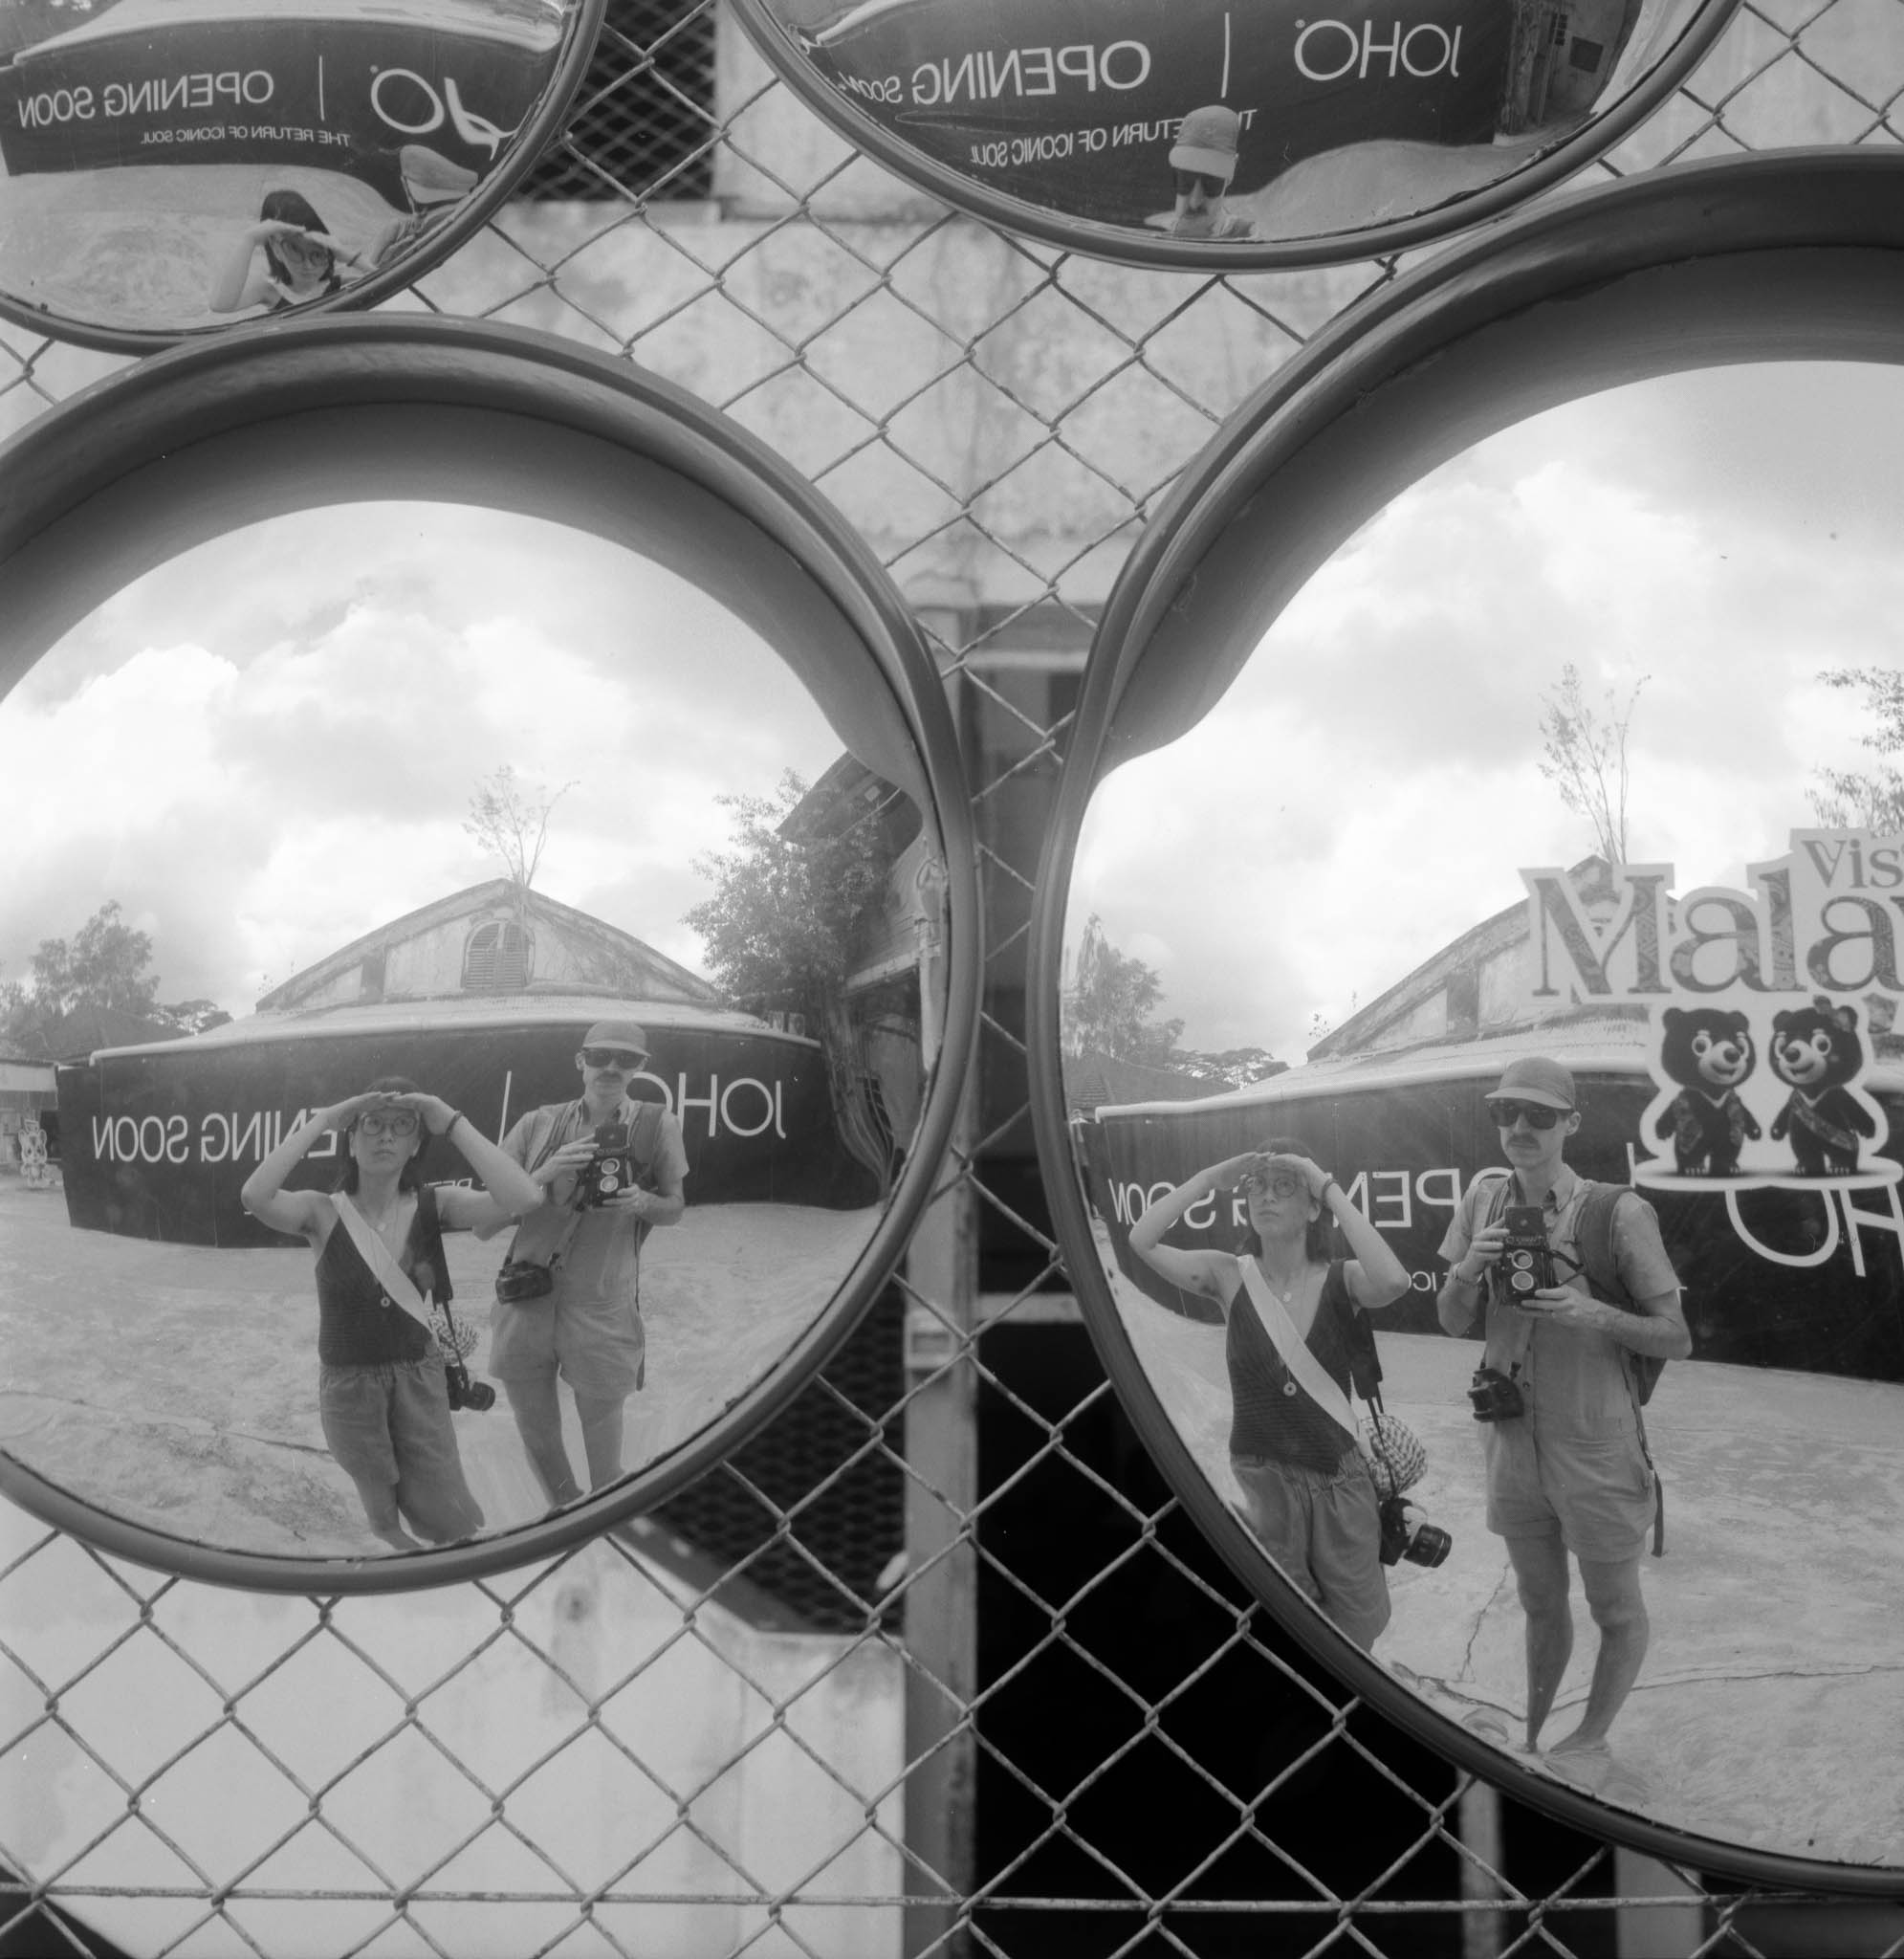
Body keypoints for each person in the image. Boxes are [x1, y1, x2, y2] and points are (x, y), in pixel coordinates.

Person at [1436, 1056, 1691, 1790]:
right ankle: (1536, 1732)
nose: (1519, 1127)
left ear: (1570, 1124)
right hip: (1510, 1439)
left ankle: (1589, 1736)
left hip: (1595, 1441)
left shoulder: (1617, 1212)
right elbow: (1451, 1322)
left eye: (1539, 1115)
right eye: (1506, 1113)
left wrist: (1594, 1313)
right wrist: (1465, 1270)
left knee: (1613, 1605)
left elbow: (1675, 1335)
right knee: (1538, 1601)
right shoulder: (1483, 1200)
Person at [1127, 1138, 1412, 1650]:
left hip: (1340, 1483)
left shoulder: (1340, 1279)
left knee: (1355, 1633)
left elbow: (1393, 1280)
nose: (1267, 1197)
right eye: (1256, 1187)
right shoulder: (1227, 1275)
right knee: (1281, 1632)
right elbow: (1142, 1240)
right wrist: (1209, 1179)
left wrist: (1325, 1184)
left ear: (1310, 1209)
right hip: (1263, 1485)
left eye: (1285, 1188)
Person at [241, 1077, 542, 1552]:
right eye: (372, 1124)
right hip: (350, 1385)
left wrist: (452, 1121)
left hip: (419, 1379)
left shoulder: (433, 1205)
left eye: (402, 1126)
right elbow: (255, 1197)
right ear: (351, 1139)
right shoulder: (321, 1212)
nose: (386, 1136)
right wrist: (322, 1118)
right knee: (383, 1520)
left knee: (451, 1515)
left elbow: (523, 1199)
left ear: (417, 1142)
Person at [471, 1020, 688, 1507]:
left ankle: (604, 1524)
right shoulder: (536, 1125)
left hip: (602, 1304)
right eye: (600, 1056)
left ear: (641, 1068)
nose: (611, 1067)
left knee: (604, 1447)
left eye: (626, 1059)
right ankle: (564, 1519)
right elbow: (482, 1224)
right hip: (526, 1301)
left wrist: (642, 1202)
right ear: (580, 1061)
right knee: (539, 1436)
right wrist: (542, 1176)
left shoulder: (657, 1124)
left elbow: (675, 1206)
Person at [208, 189, 403, 315]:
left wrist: (346, 255)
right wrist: (248, 239)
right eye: (294, 251)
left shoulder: (336, 283)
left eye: (317, 255)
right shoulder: (270, 290)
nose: (307, 266)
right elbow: (220, 305)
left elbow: (390, 284)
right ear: (276, 249)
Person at [1160, 105, 1257, 240]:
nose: (1194, 202)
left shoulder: (1246, 237)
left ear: (1230, 174)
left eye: (1211, 184)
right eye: (1185, 181)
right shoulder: (1159, 234)